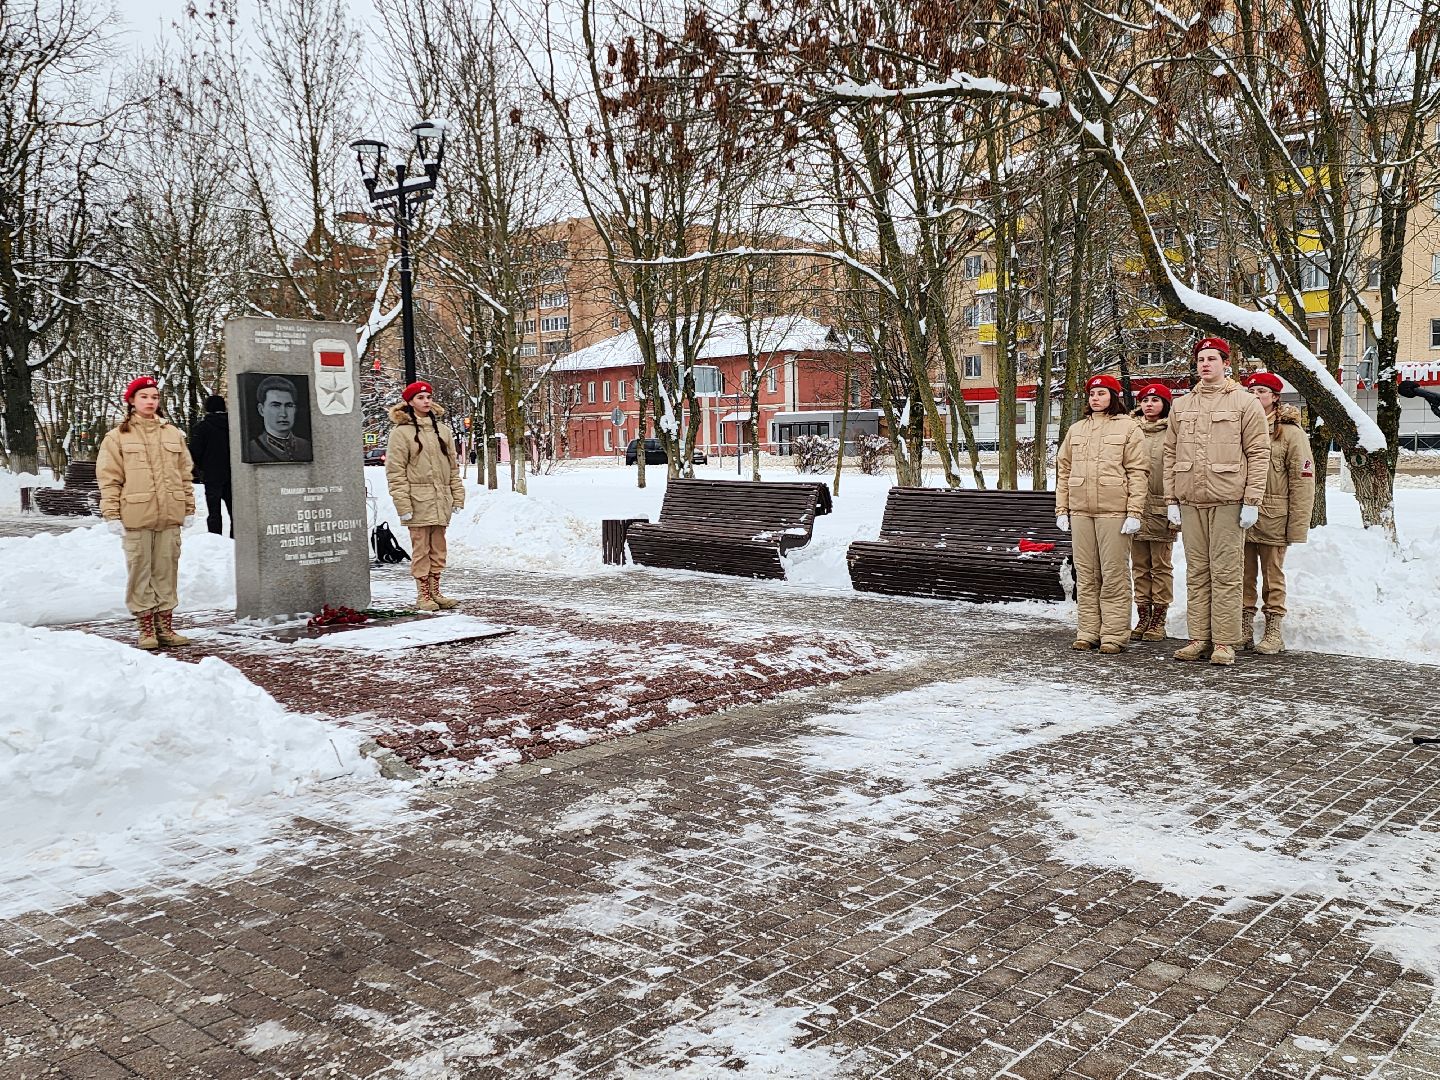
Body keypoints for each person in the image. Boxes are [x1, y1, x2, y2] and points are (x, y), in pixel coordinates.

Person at [1163, 337, 1271, 666]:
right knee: (1197, 571)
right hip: (1191, 500)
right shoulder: (1182, 406)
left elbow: (1258, 452)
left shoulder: (1244, 402)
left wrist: (1252, 499)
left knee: (1226, 572)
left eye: (1212, 359)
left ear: (1226, 363)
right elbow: (1170, 454)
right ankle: (1199, 637)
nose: (1205, 364)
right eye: (1200, 359)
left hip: (1228, 499)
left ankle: (1224, 641)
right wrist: (1171, 499)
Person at [97, 377, 197, 650]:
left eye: (154, 397)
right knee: (140, 571)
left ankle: (165, 627)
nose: (150, 401)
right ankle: (146, 629)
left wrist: (188, 508)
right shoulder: (117, 437)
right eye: (144, 397)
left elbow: (184, 474)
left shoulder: (173, 434)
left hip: (170, 515)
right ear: (131, 400)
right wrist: (112, 514)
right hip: (136, 516)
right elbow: (109, 479)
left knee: (166, 571)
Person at [1055, 373, 1148, 654]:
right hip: (1081, 511)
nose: (1095, 398)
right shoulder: (1077, 430)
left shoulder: (1129, 428)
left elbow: (1138, 472)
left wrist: (1134, 511)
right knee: (1086, 574)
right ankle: (1088, 631)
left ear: (1113, 396)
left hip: (1114, 511)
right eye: (1092, 394)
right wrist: (1062, 509)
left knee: (1113, 574)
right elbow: (1064, 470)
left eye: (1102, 394)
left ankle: (1114, 635)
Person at [1240, 371, 1315, 654]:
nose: (1255, 396)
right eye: (1251, 392)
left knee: (1272, 577)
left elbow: (1302, 481)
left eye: (1261, 391)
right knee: (1242, 575)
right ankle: (1243, 627)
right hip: (1241, 516)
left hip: (1274, 517)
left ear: (1274, 397)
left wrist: (1297, 527)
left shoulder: (1290, 433)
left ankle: (1274, 630)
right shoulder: (1240, 427)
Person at [386, 381, 465, 612]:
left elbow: (452, 467)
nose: (426, 401)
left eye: (429, 397)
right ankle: (423, 595)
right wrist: (403, 504)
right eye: (420, 398)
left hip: (441, 499)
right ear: (410, 402)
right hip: (417, 499)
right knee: (421, 549)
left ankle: (436, 591)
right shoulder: (401, 433)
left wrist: (457, 495)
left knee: (438, 548)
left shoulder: (443, 431)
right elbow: (395, 472)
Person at [1129, 383, 1180, 642]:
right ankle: (1143, 614)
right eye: (1145, 400)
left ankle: (1159, 618)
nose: (1149, 405)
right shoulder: (1131, 430)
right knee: (1139, 565)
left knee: (1160, 565)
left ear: (1165, 404)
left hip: (1162, 506)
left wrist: (1175, 504)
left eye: (1155, 400)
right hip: (1135, 507)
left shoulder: (1173, 431)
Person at [189, 394, 232, 536]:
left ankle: (215, 539)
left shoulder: (202, 427)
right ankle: (236, 540)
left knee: (214, 512)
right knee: (235, 511)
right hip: (233, 474)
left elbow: (194, 452)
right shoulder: (234, 426)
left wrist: (199, 470)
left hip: (212, 474)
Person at [246, 375, 312, 463]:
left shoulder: (307, 446)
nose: (283, 414)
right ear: (261, 410)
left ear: (295, 409)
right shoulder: (252, 449)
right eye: (276, 406)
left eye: (289, 406)